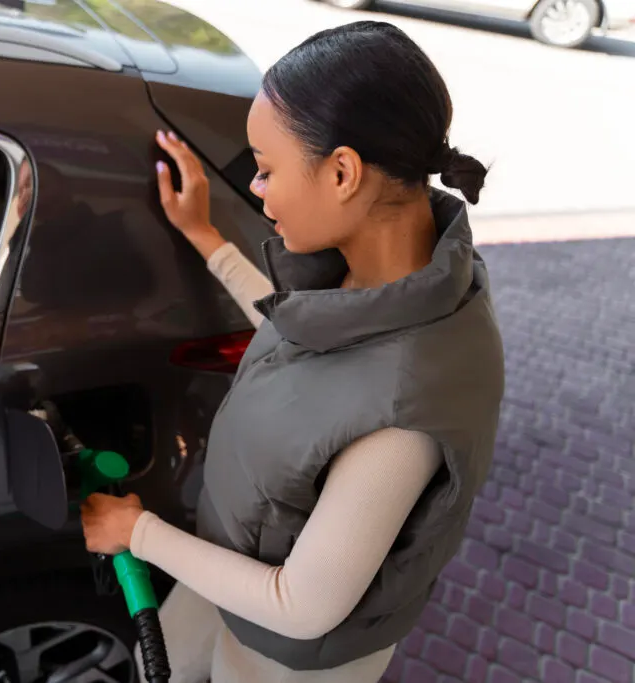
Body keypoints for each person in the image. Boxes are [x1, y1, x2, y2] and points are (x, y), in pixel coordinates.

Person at [80, 21, 505, 683]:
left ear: (342, 172)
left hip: (286, 656)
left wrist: (137, 534)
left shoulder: (407, 404)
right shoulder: (399, 273)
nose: (255, 187)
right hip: (228, 569)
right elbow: (301, 326)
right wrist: (205, 237)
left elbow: (301, 605)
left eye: (268, 168)